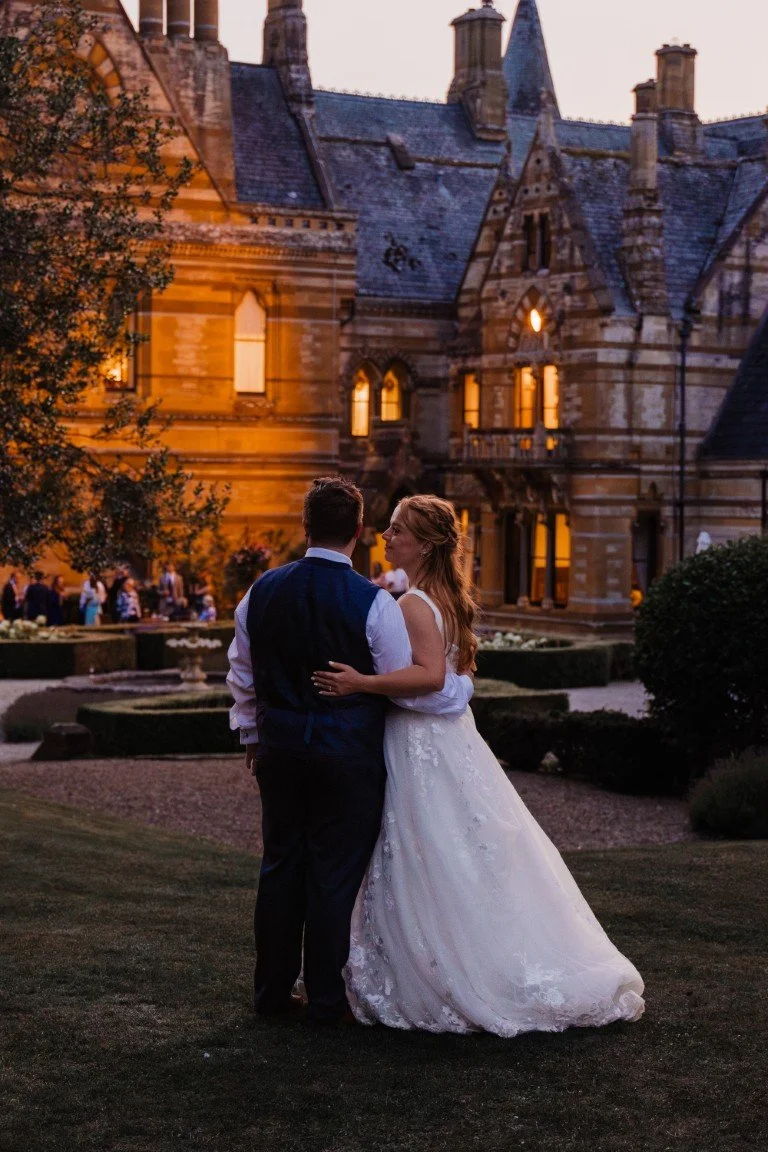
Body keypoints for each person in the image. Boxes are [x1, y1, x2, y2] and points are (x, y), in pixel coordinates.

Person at [313, 495, 645, 1037]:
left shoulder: (415, 603)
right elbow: (456, 676)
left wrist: (362, 683)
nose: (385, 537)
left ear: (424, 543)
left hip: (420, 740)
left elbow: (430, 678)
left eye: (397, 531)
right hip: (451, 740)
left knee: (427, 848)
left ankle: (438, 968)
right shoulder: (445, 597)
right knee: (456, 847)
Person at [227, 476, 473, 1025]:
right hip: (347, 757)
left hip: (281, 751)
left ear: (305, 527)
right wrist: (459, 690)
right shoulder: (375, 603)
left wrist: (252, 734)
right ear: (359, 532)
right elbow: (399, 681)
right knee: (334, 877)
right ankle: (325, 1000)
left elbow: (242, 674)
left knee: (280, 866)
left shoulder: (259, 592)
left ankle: (270, 995)